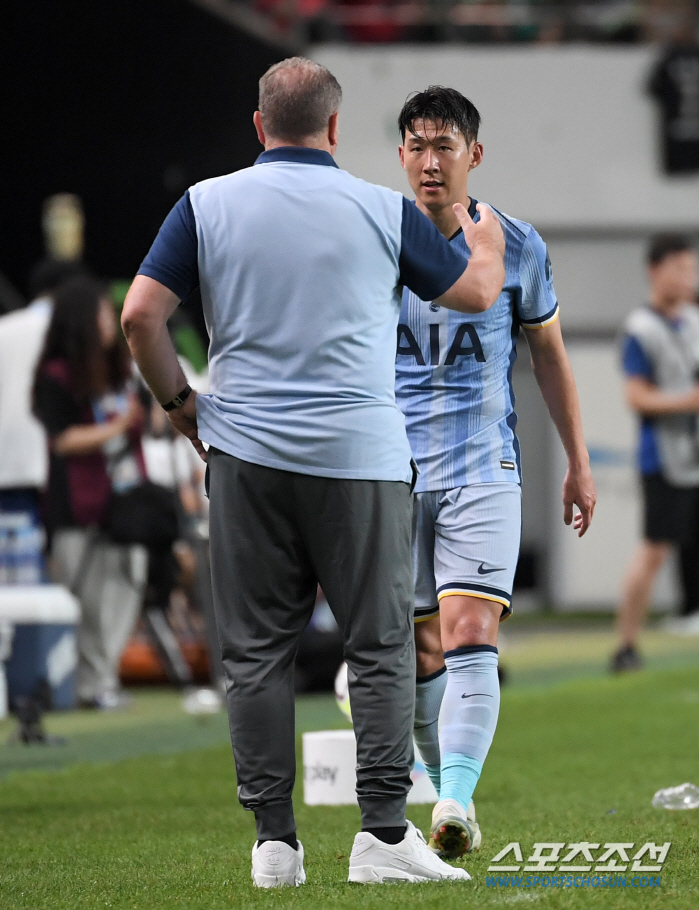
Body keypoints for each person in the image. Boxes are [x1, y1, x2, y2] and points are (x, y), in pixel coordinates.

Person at [121, 57, 505, 887]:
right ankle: (379, 836)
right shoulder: (380, 209)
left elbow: (139, 316)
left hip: (245, 456)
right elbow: (473, 294)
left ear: (258, 126)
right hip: (358, 461)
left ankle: (274, 847)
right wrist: (475, 230)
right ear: (335, 129)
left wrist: (179, 404)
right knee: (377, 645)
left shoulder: (204, 204)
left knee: (254, 653)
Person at [394, 86, 597, 858]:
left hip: (484, 466)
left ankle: (452, 801)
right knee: (413, 649)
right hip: (393, 473)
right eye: (415, 144)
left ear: (473, 155)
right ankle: (441, 787)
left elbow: (548, 354)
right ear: (401, 156)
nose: (429, 159)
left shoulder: (518, 244)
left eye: (444, 144)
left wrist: (577, 461)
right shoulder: (379, 240)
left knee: (470, 632)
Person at [33, 277, 148, 708]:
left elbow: (146, 424)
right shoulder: (58, 376)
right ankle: (81, 684)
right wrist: (117, 427)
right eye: (101, 313)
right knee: (80, 597)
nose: (109, 321)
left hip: (126, 502)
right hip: (76, 507)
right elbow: (61, 440)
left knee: (124, 587)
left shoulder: (122, 369)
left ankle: (101, 678)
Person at [613, 234, 699, 671]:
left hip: (695, 455)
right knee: (654, 551)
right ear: (655, 269)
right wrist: (687, 402)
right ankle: (625, 645)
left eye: (692, 268)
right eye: (680, 268)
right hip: (664, 457)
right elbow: (637, 397)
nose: (688, 277)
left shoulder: (693, 320)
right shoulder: (640, 329)